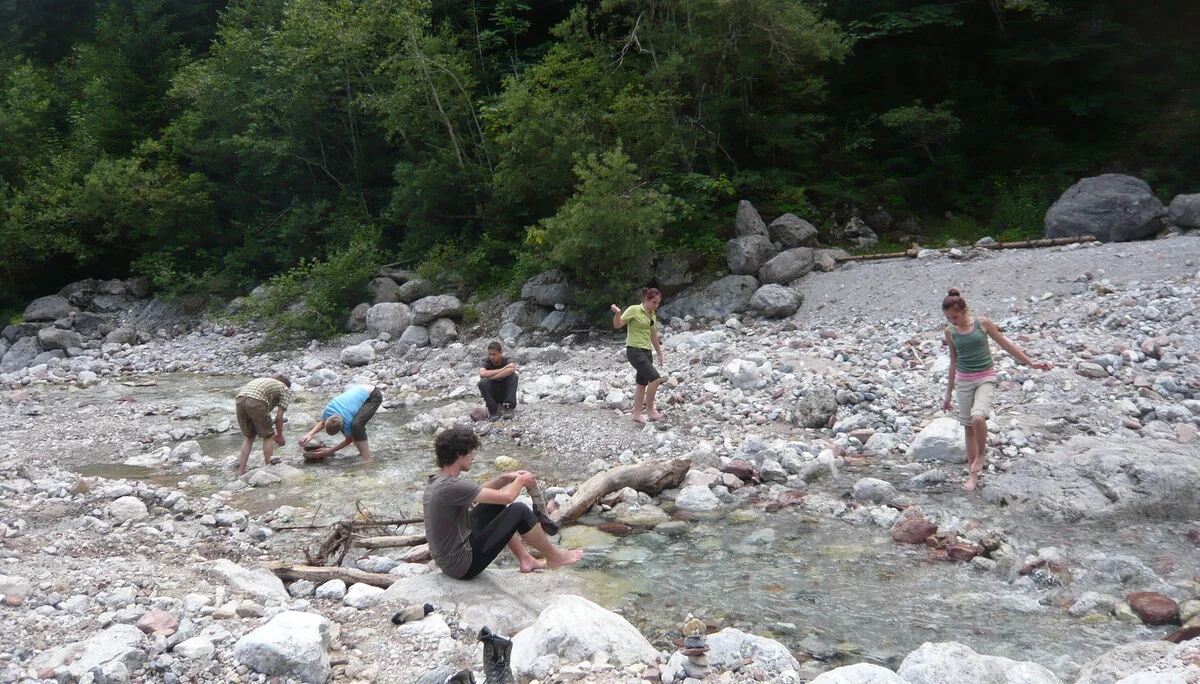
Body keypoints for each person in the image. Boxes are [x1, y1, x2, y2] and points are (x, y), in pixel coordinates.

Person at [423, 425, 583, 579]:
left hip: (450, 560)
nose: (473, 457)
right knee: (519, 510)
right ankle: (555, 556)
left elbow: (478, 492)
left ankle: (526, 559)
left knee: (494, 505)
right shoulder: (450, 486)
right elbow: (508, 497)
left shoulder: (439, 482)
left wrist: (504, 479)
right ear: (459, 454)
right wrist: (521, 480)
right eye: (471, 452)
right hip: (463, 565)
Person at [942, 288, 1052, 491]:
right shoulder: (950, 332)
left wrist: (1031, 363)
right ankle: (972, 475)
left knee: (978, 417)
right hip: (963, 382)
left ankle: (980, 456)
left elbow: (1006, 345)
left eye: (955, 317)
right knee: (968, 427)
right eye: (948, 318)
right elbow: (953, 362)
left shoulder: (982, 324)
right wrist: (948, 393)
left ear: (965, 311)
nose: (952, 321)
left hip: (985, 377)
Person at [610, 287, 665, 424]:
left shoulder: (652, 314)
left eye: (658, 303)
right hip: (634, 351)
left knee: (642, 384)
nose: (656, 305)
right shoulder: (634, 310)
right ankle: (650, 411)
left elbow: (653, 336)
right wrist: (617, 313)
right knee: (655, 379)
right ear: (646, 299)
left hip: (647, 351)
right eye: (654, 302)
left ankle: (636, 414)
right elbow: (618, 325)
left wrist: (659, 353)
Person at [298, 383, 382, 462]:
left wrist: (330, 451)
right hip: (362, 391)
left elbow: (348, 440)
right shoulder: (328, 410)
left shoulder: (348, 421)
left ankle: (367, 459)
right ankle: (362, 452)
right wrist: (309, 434)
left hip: (373, 395)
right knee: (352, 430)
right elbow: (323, 422)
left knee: (356, 425)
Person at [234, 375, 293, 476]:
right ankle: (269, 469)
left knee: (249, 437)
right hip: (257, 401)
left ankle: (241, 472)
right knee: (268, 436)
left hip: (240, 400)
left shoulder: (264, 382)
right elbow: (279, 418)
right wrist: (279, 436)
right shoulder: (285, 389)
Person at [478, 341, 518, 417]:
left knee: (513, 376)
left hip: (505, 392)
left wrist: (491, 377)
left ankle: (509, 407)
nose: (491, 357)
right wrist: (503, 369)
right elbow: (482, 374)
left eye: (494, 354)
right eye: (490, 354)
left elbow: (511, 370)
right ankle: (493, 410)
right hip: (493, 394)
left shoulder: (507, 360)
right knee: (483, 382)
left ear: (501, 353)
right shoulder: (486, 362)